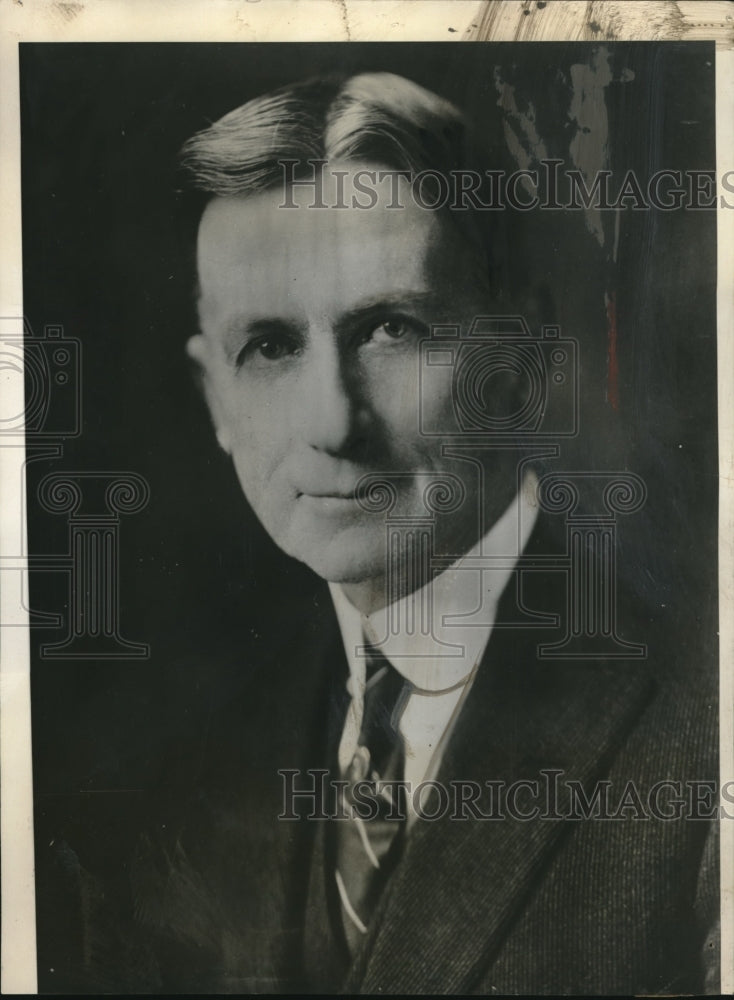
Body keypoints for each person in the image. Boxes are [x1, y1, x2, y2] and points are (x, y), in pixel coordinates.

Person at [41, 71, 719, 994]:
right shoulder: (179, 767)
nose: (333, 422)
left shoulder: (703, 729)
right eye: (271, 347)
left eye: (391, 328)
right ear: (217, 400)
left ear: (521, 363)